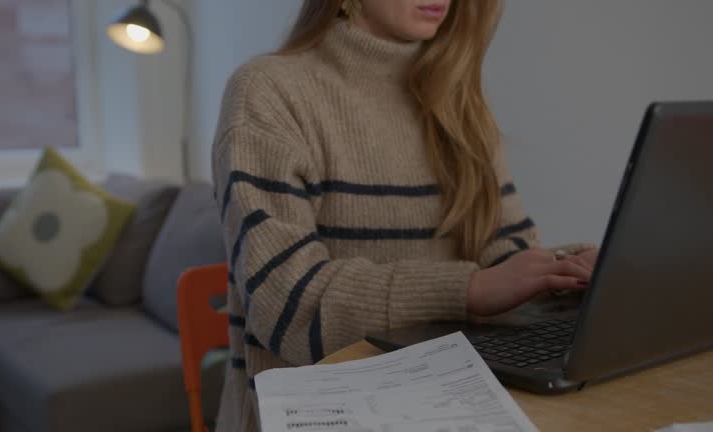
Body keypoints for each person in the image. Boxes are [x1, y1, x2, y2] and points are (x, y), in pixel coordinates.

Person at [211, 1, 597, 430]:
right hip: (319, 414)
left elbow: (506, 255)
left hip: (449, 404)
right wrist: (467, 289)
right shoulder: (267, 92)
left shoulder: (461, 104)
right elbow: (287, 306)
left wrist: (575, 273)